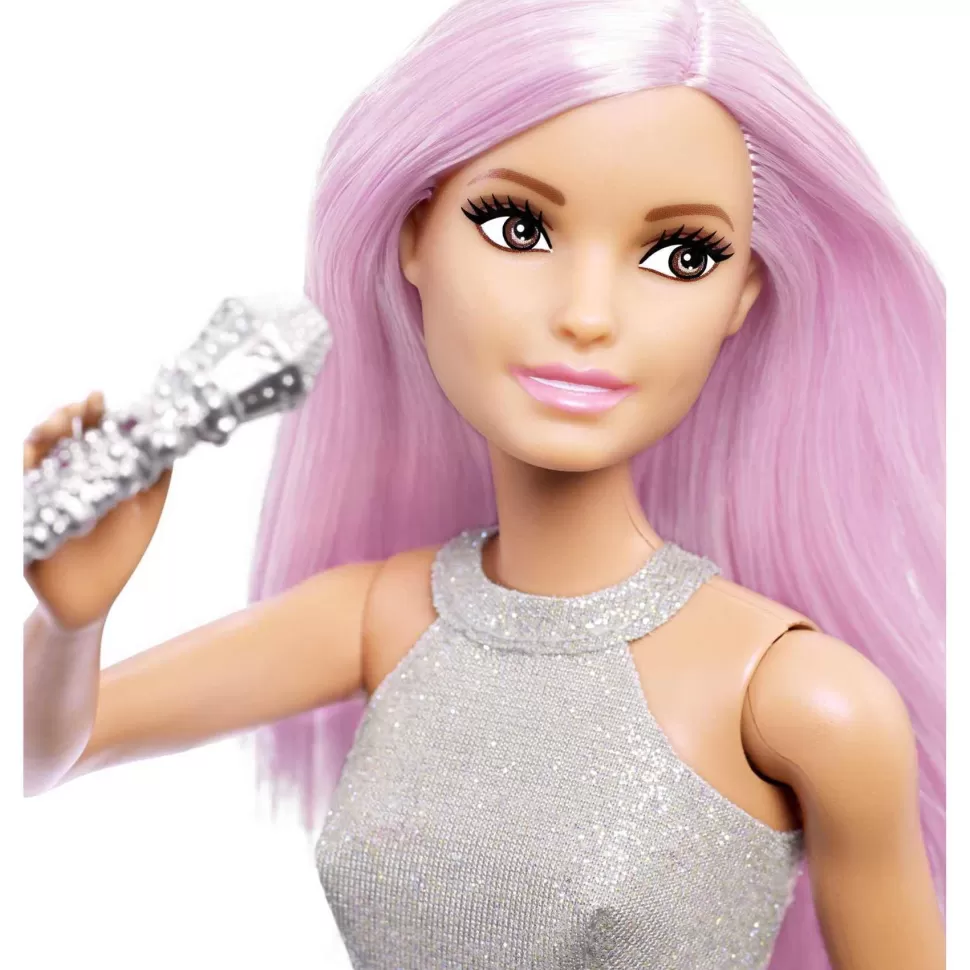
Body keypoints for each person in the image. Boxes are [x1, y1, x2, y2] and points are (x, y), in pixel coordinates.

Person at [23, 1, 945, 967]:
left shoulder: (803, 700)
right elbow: (48, 752)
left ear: (740, 298)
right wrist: (70, 626)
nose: (587, 314)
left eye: (681, 257)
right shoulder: (382, 618)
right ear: (416, 237)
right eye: (518, 227)